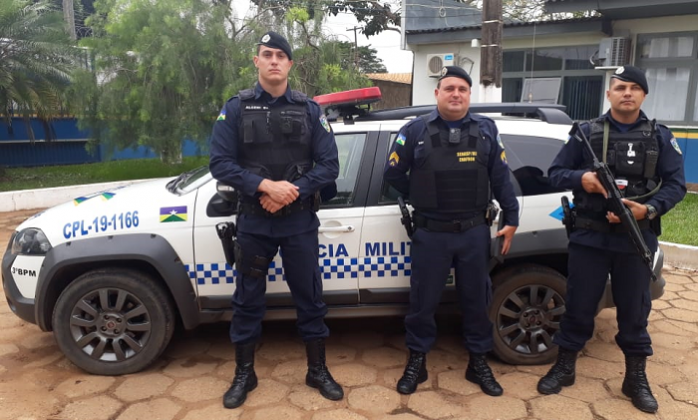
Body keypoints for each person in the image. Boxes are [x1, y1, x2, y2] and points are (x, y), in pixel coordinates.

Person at [540, 65, 686, 414]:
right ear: (609, 94)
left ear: (644, 95)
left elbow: (676, 185)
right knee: (579, 305)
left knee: (635, 311)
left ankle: (635, 378)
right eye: (620, 87)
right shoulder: (585, 133)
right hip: (589, 237)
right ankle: (565, 367)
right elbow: (555, 173)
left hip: (636, 239)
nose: (627, 93)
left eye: (634, 88)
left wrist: (648, 210)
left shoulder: (660, 136)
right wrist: (582, 179)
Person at [209, 31, 342, 409]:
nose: (273, 61)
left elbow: (330, 166)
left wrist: (291, 191)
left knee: (310, 297)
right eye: (267, 54)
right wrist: (265, 186)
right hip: (255, 221)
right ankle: (244, 374)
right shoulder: (236, 108)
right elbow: (219, 163)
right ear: (257, 61)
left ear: (290, 64)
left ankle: (317, 370)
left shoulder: (310, 109)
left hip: (299, 221)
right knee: (247, 299)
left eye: (280, 56)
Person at [384, 66, 520, 397]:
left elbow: (500, 177)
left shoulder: (486, 130)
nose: (455, 94)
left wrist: (512, 217)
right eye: (449, 88)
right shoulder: (414, 130)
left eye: (462, 89)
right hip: (431, 232)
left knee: (476, 300)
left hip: (474, 232)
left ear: (469, 95)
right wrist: (422, 195)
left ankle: (478, 362)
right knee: (423, 302)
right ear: (437, 93)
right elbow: (393, 174)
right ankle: (417, 361)